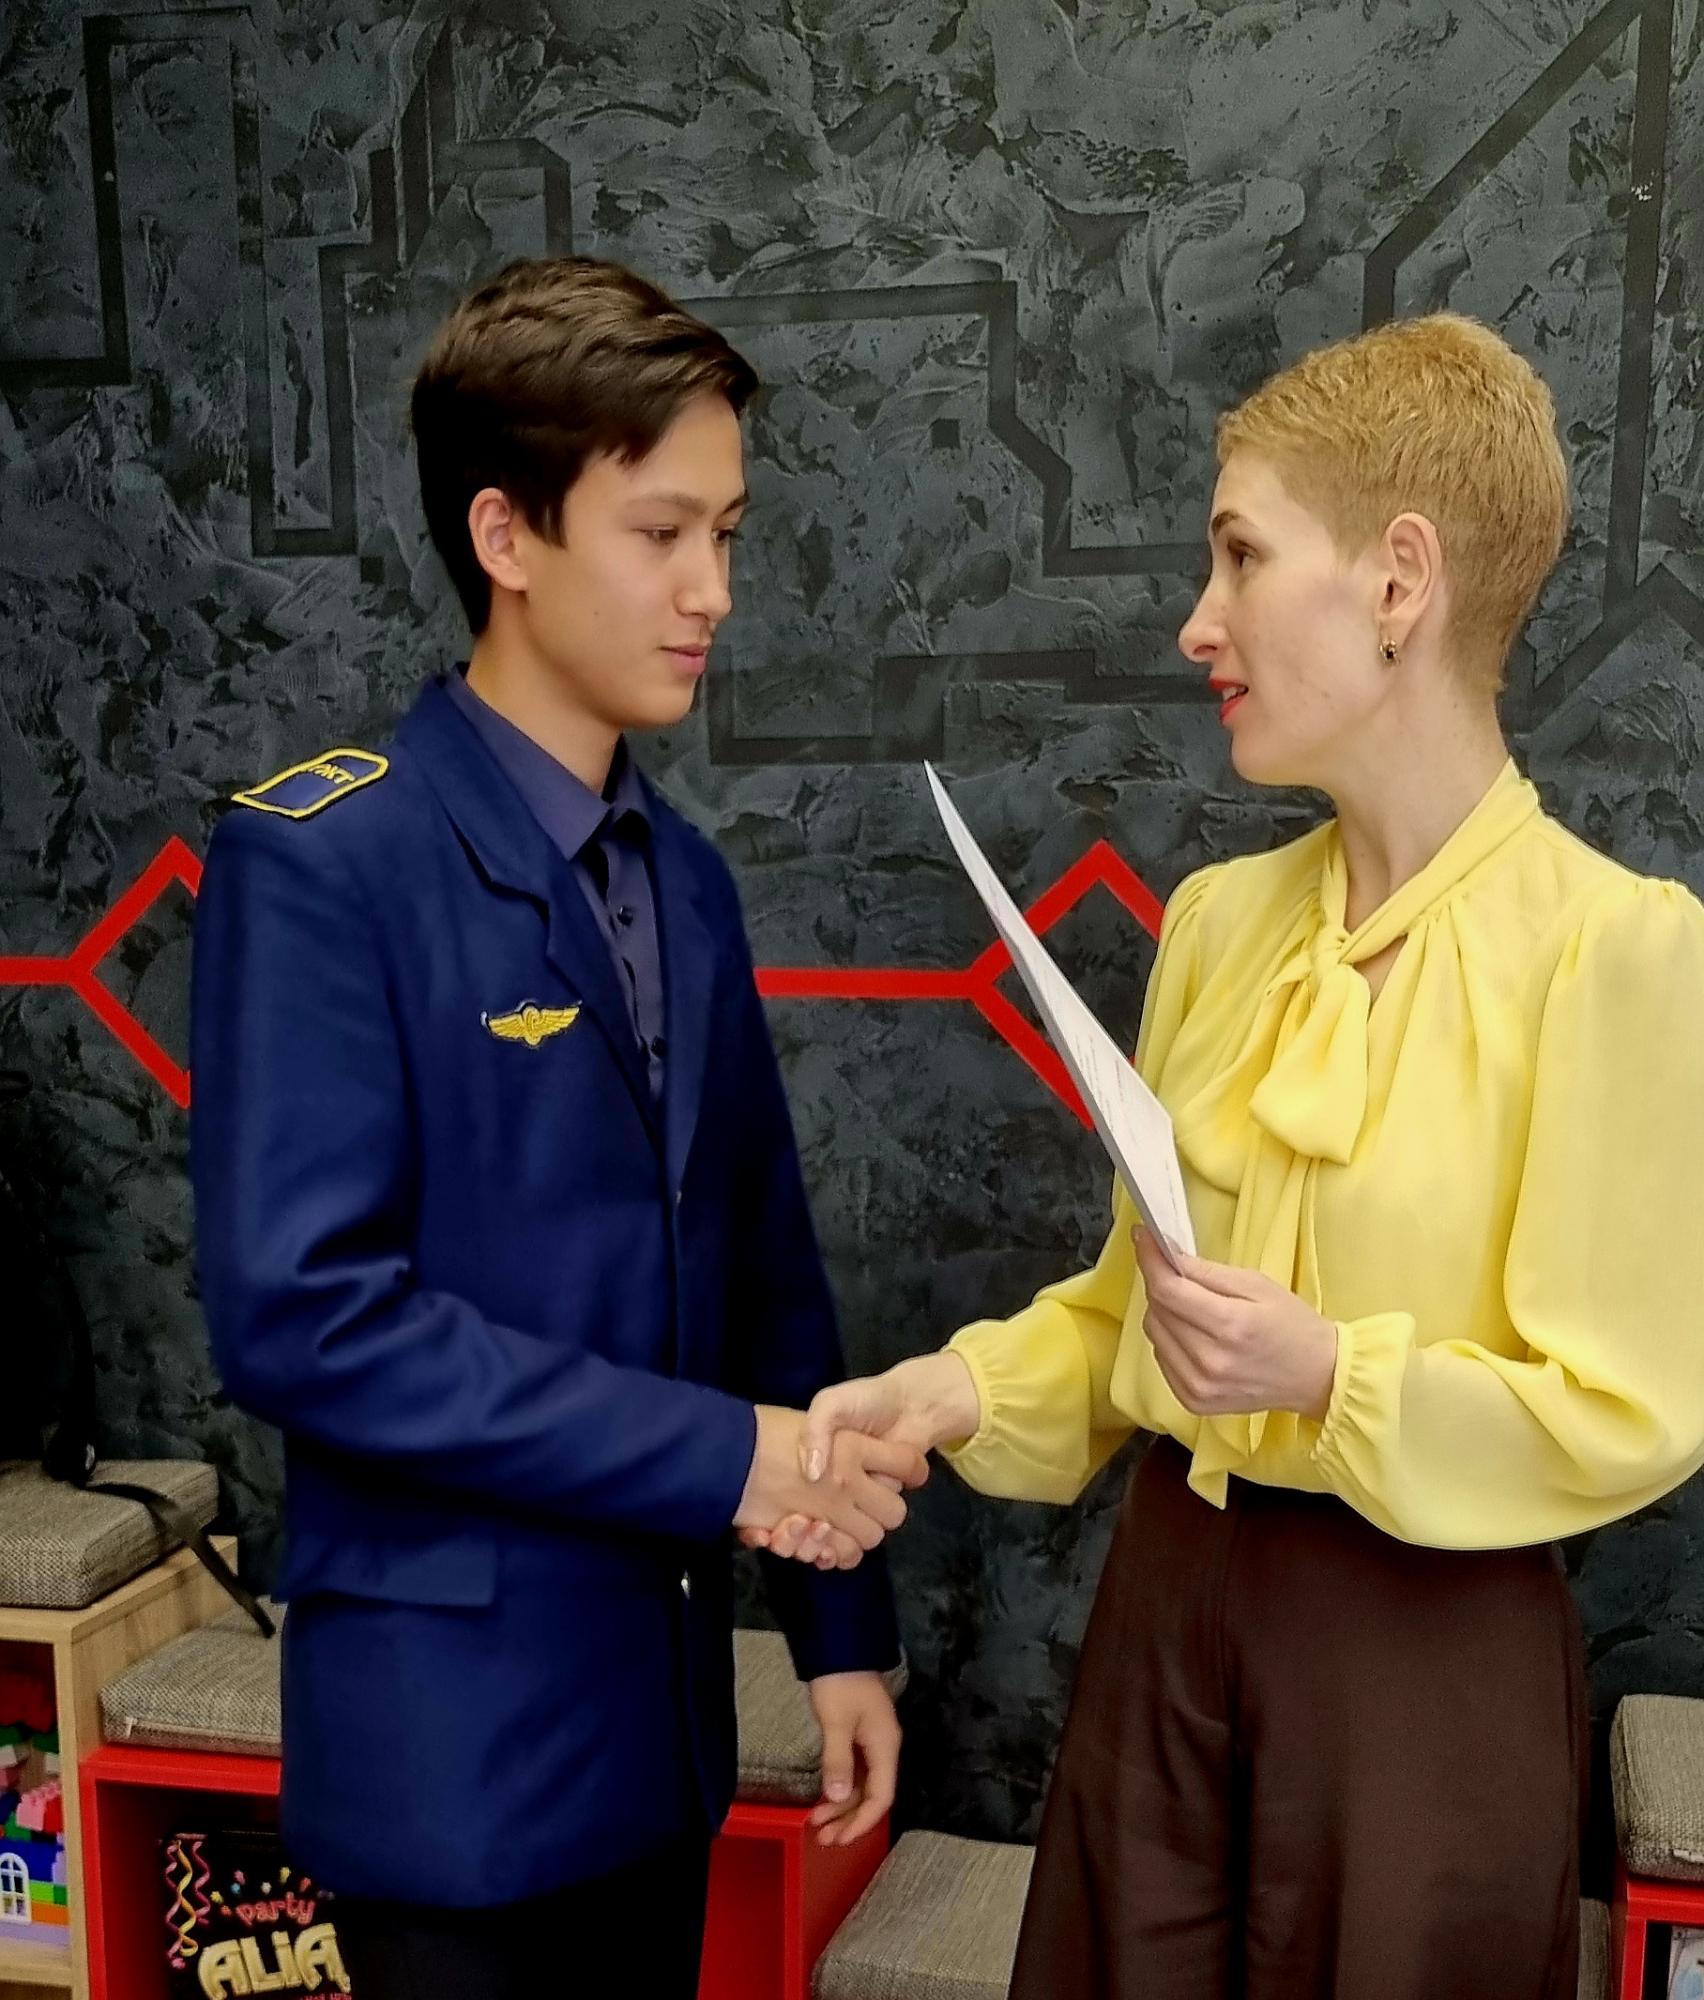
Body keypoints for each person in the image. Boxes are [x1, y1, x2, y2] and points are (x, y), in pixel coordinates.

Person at [754, 313, 1704, 1998]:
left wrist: (1329, 1372)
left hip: (1423, 1679)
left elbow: (1625, 1407)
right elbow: (1133, 1317)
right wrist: (951, 1394)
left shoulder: (1616, 951)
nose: (1200, 621)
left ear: (1399, 579)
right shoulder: (1216, 924)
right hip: (1164, 1627)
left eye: (1242, 556)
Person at [190, 256, 925, 2000]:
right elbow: (305, 1318)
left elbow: (764, 1271)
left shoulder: (691, 880)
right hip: (451, 1757)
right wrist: (726, 1461)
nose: (712, 590)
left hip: (659, 1741)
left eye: (725, 535)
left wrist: (840, 1635)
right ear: (505, 534)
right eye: (660, 534)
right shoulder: (324, 863)